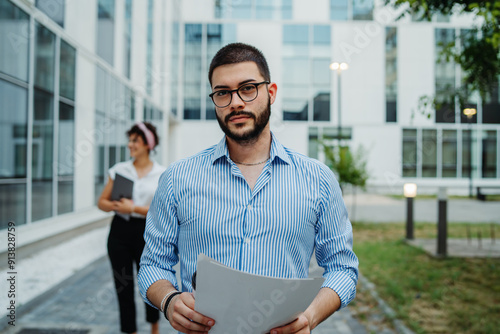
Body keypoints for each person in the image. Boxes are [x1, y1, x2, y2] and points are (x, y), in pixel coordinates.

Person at [138, 43, 359, 334]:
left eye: (248, 88)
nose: (236, 102)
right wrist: (168, 301)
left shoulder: (318, 179)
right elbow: (153, 264)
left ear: (271, 92)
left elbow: (343, 269)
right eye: (223, 93)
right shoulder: (178, 178)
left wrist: (310, 317)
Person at [98, 122, 166, 334]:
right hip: (119, 232)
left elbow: (161, 211)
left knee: (150, 282)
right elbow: (101, 202)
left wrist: (133, 207)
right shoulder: (119, 170)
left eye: (135, 140)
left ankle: (154, 327)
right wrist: (116, 206)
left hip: (147, 232)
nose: (130, 145)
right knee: (123, 287)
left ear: (148, 144)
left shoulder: (161, 173)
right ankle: (130, 331)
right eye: (129, 140)